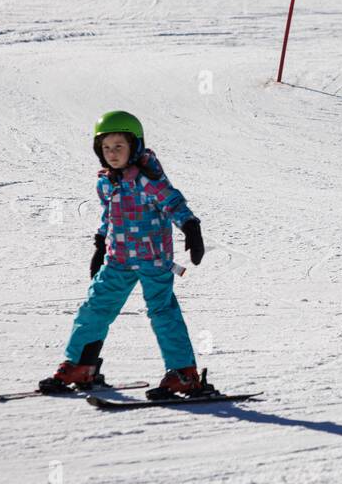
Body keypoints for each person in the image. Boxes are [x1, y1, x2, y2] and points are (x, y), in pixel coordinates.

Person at [40, 111, 214, 399]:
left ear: (135, 146)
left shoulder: (148, 178)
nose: (113, 153)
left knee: (162, 312)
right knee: (95, 308)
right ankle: (81, 365)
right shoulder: (106, 182)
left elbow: (173, 202)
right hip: (117, 259)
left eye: (119, 146)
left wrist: (191, 227)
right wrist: (99, 244)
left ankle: (184, 374)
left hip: (153, 260)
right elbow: (109, 215)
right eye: (106, 148)